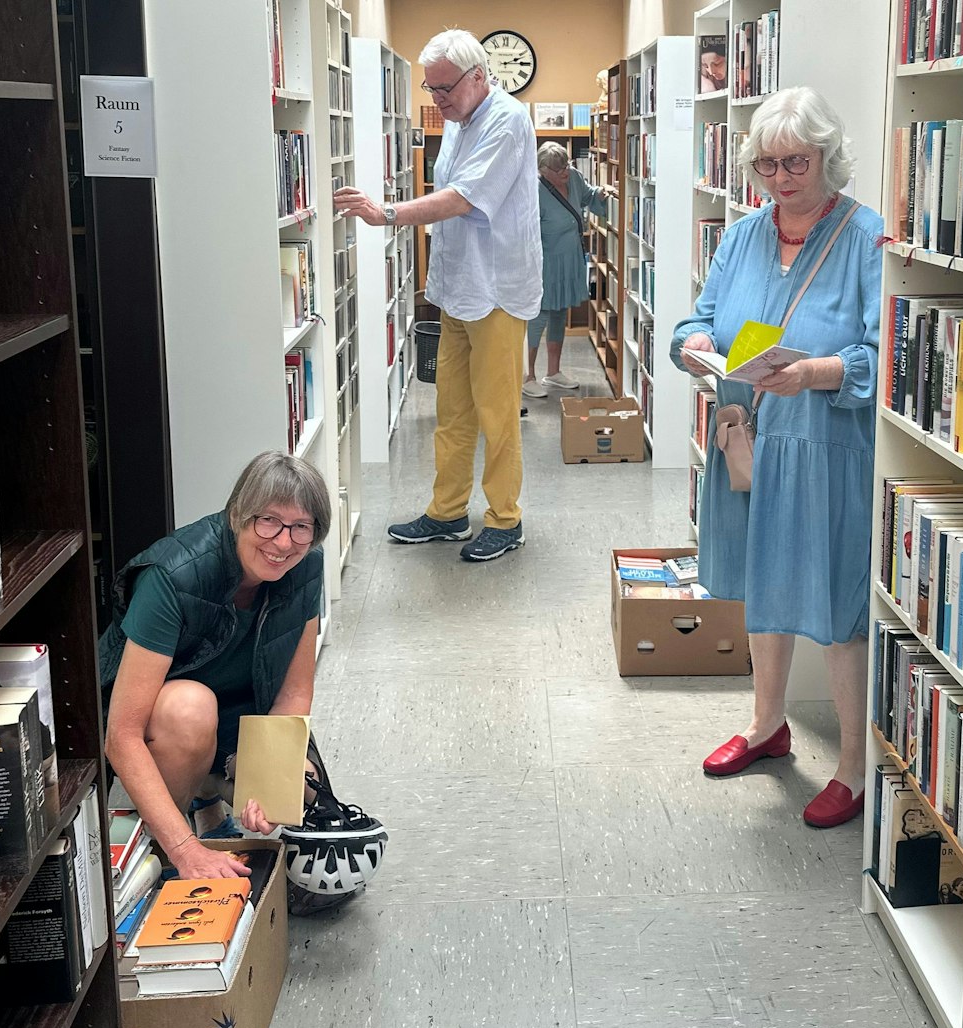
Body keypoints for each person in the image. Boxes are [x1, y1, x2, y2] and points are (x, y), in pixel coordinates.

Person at [670, 87, 883, 829]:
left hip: (826, 448)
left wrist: (815, 373)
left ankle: (854, 768)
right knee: (764, 588)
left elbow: (885, 355)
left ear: (828, 155)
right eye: (766, 164)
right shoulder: (744, 234)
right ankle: (768, 724)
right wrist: (691, 342)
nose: (780, 177)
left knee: (838, 601)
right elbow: (700, 315)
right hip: (749, 439)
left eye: (795, 161)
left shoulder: (865, 238)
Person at [97, 452, 385, 911]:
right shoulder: (172, 576)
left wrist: (268, 789)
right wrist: (184, 850)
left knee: (313, 821)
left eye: (301, 527)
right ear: (238, 514)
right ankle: (163, 846)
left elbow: (293, 694)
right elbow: (121, 735)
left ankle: (212, 810)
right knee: (191, 708)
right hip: (169, 720)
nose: (283, 542)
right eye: (268, 521)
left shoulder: (306, 566)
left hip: (241, 719)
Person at [333, 28, 541, 564]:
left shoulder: (508, 121)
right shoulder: (457, 119)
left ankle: (504, 519)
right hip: (456, 287)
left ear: (478, 77)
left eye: (445, 88)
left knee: (497, 414)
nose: (438, 100)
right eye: (431, 90)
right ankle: (447, 512)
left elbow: (461, 198)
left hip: (496, 289)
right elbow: (447, 187)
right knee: (451, 409)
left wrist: (389, 214)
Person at [523, 142, 597, 400]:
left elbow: (589, 197)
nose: (565, 171)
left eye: (566, 164)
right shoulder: (533, 188)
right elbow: (525, 230)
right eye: (558, 168)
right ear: (543, 170)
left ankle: (553, 372)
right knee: (538, 315)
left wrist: (609, 195)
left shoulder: (574, 177)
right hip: (545, 261)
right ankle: (527, 376)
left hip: (570, 258)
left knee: (559, 312)